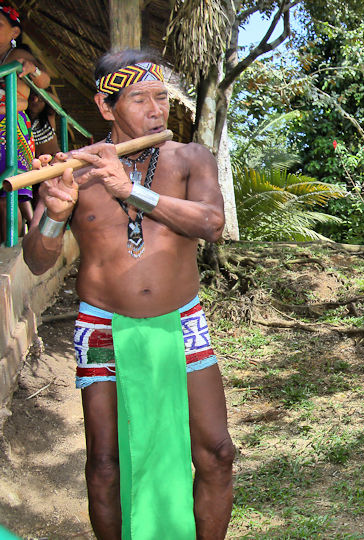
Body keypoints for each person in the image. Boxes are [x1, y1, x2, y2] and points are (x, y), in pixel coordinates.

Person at [22, 49, 234, 539]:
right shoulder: (75, 168)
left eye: (161, 97)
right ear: (104, 106)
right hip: (101, 325)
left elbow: (213, 224)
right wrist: (55, 210)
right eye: (139, 99)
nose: (156, 110)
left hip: (183, 320)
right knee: (104, 463)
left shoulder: (190, 158)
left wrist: (131, 190)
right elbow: (36, 259)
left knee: (217, 451)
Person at [0, 3, 49, 239]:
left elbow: (45, 81)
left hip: (9, 130)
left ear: (14, 33)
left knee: (7, 195)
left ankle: (15, 247)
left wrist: (33, 70)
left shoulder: (19, 56)